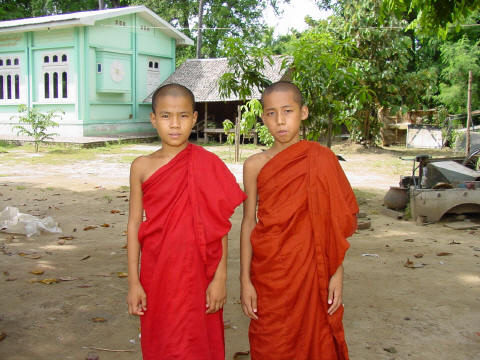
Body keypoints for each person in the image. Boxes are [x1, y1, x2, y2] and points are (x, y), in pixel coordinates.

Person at [127, 83, 245, 360]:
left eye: (182, 116)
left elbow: (220, 225)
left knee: (199, 341)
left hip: (200, 272)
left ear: (194, 118)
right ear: (153, 118)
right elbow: (134, 224)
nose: (175, 124)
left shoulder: (208, 163)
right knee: (162, 341)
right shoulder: (141, 166)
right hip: (158, 273)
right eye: (166, 116)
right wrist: (134, 282)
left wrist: (220, 278)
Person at [240, 81, 358, 360]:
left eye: (287, 111)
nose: (280, 121)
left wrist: (336, 273)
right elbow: (248, 222)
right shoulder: (255, 165)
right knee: (270, 341)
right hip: (270, 272)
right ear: (263, 117)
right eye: (270, 113)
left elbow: (334, 223)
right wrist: (245, 281)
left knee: (316, 341)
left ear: (303, 112)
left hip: (312, 270)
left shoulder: (322, 159)